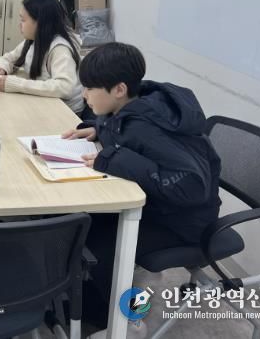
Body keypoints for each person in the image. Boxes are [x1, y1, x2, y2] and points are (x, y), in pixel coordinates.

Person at [62, 42, 221, 329]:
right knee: (84, 227)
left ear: (119, 89)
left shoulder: (150, 126)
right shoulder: (131, 106)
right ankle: (98, 303)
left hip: (183, 223)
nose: (84, 95)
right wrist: (99, 129)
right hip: (160, 207)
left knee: (105, 247)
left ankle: (131, 321)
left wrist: (115, 157)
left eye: (89, 88)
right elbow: (124, 131)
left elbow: (192, 186)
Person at [0, 0, 84, 114]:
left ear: (40, 23)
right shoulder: (33, 40)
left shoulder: (60, 48)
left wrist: (17, 84)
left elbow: (64, 87)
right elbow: (10, 58)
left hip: (65, 111)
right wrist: (2, 68)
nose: (19, 25)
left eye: (23, 20)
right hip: (45, 101)